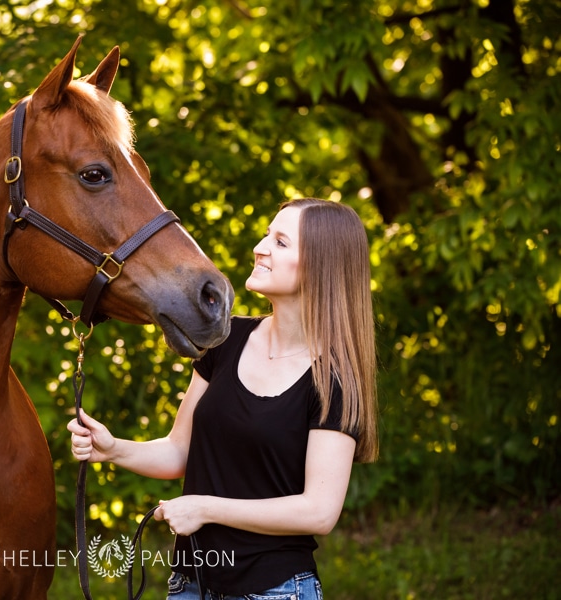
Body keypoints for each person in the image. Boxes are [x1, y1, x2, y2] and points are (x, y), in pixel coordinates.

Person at [68, 198, 378, 599]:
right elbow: (179, 451)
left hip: (275, 590)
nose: (260, 246)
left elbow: (318, 511)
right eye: (267, 233)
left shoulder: (333, 379)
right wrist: (112, 450)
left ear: (320, 266)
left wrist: (205, 508)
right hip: (190, 585)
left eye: (280, 242)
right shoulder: (226, 340)